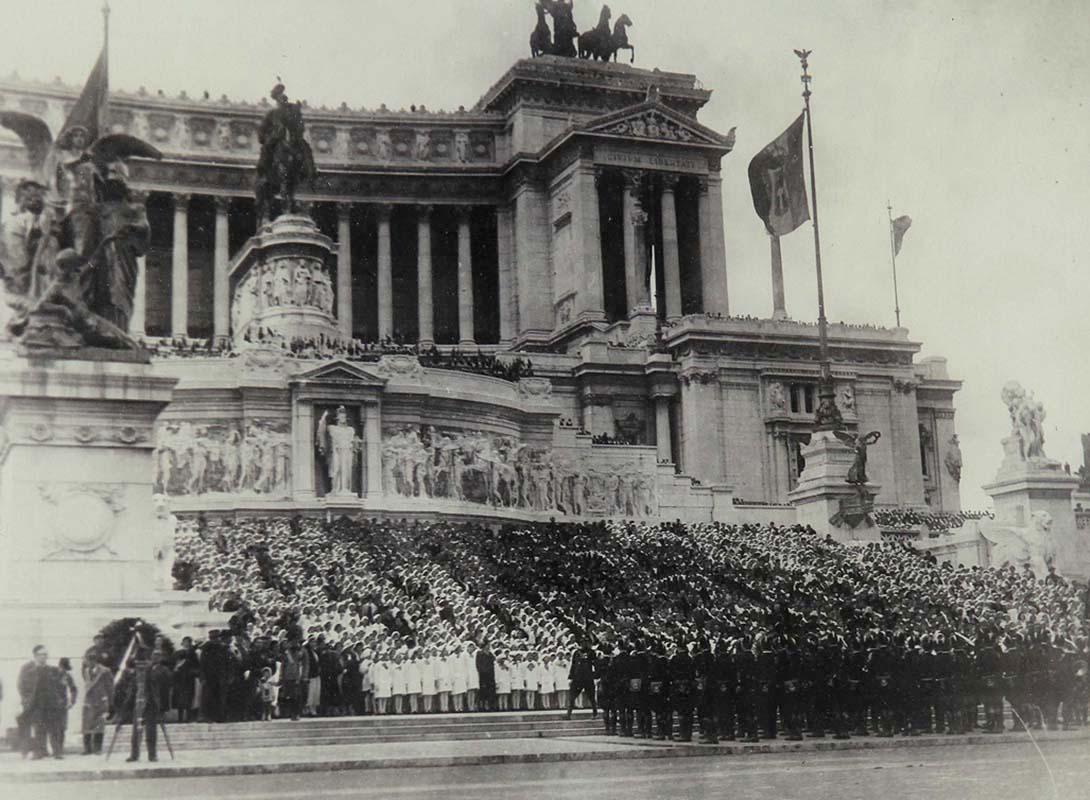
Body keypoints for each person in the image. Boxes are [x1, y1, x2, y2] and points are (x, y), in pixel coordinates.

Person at [123, 650, 171, 762]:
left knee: (151, 732)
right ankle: (134, 755)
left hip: (150, 706)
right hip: (138, 706)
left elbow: (157, 688)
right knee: (135, 733)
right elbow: (131, 692)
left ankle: (152, 755)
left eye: (143, 665)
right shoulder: (135, 677)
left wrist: (158, 705)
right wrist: (127, 706)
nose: (141, 668)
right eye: (139, 666)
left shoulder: (153, 674)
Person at [17, 645, 50, 759]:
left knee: (40, 727)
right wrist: (26, 699)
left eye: (46, 654)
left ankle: (40, 751)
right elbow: (20, 685)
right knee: (25, 727)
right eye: (43, 654)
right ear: (36, 655)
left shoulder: (48, 669)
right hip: (29, 703)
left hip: (44, 704)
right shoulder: (26, 668)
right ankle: (25, 751)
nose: (45, 657)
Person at [82, 655, 113, 754]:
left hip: (101, 701)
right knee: (86, 725)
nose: (85, 663)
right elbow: (87, 685)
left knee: (99, 725)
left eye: (87, 661)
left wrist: (110, 702)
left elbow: (110, 687)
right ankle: (87, 749)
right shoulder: (86, 671)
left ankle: (98, 749)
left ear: (93, 661)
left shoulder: (105, 671)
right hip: (89, 701)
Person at [50, 658, 79, 758]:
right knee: (54, 728)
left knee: (62, 728)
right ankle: (56, 751)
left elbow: (74, 689)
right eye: (63, 668)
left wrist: (72, 701)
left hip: (63, 705)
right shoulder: (51, 674)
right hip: (52, 705)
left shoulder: (67, 676)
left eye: (66, 669)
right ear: (60, 666)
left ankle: (59, 750)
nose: (64, 670)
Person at [171, 636, 199, 723]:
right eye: (185, 642)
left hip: (189, 679)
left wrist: (193, 672)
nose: (187, 643)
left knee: (189, 697)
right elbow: (173, 665)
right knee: (180, 698)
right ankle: (180, 718)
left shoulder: (193, 653)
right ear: (182, 643)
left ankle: (188, 717)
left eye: (189, 642)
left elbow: (197, 665)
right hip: (179, 679)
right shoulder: (177, 653)